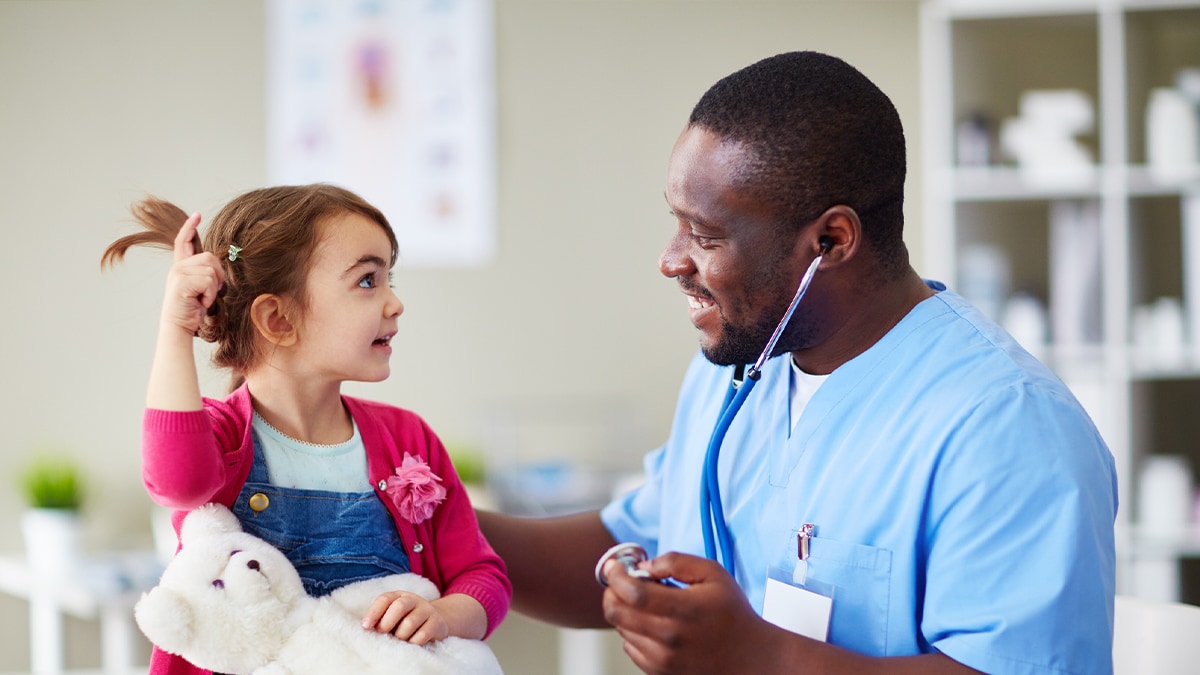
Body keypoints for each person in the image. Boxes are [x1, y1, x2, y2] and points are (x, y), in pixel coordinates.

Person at [477, 51, 1117, 674]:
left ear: (831, 241)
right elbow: (640, 548)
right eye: (676, 223)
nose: (671, 260)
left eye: (704, 236)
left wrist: (762, 659)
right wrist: (419, 520)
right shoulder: (735, 368)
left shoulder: (1008, 428)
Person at [102, 185, 510, 674]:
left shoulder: (409, 439)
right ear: (278, 319)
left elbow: (482, 576)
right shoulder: (224, 438)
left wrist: (443, 615)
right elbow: (178, 481)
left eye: (389, 279)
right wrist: (175, 328)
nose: (395, 303)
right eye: (367, 281)